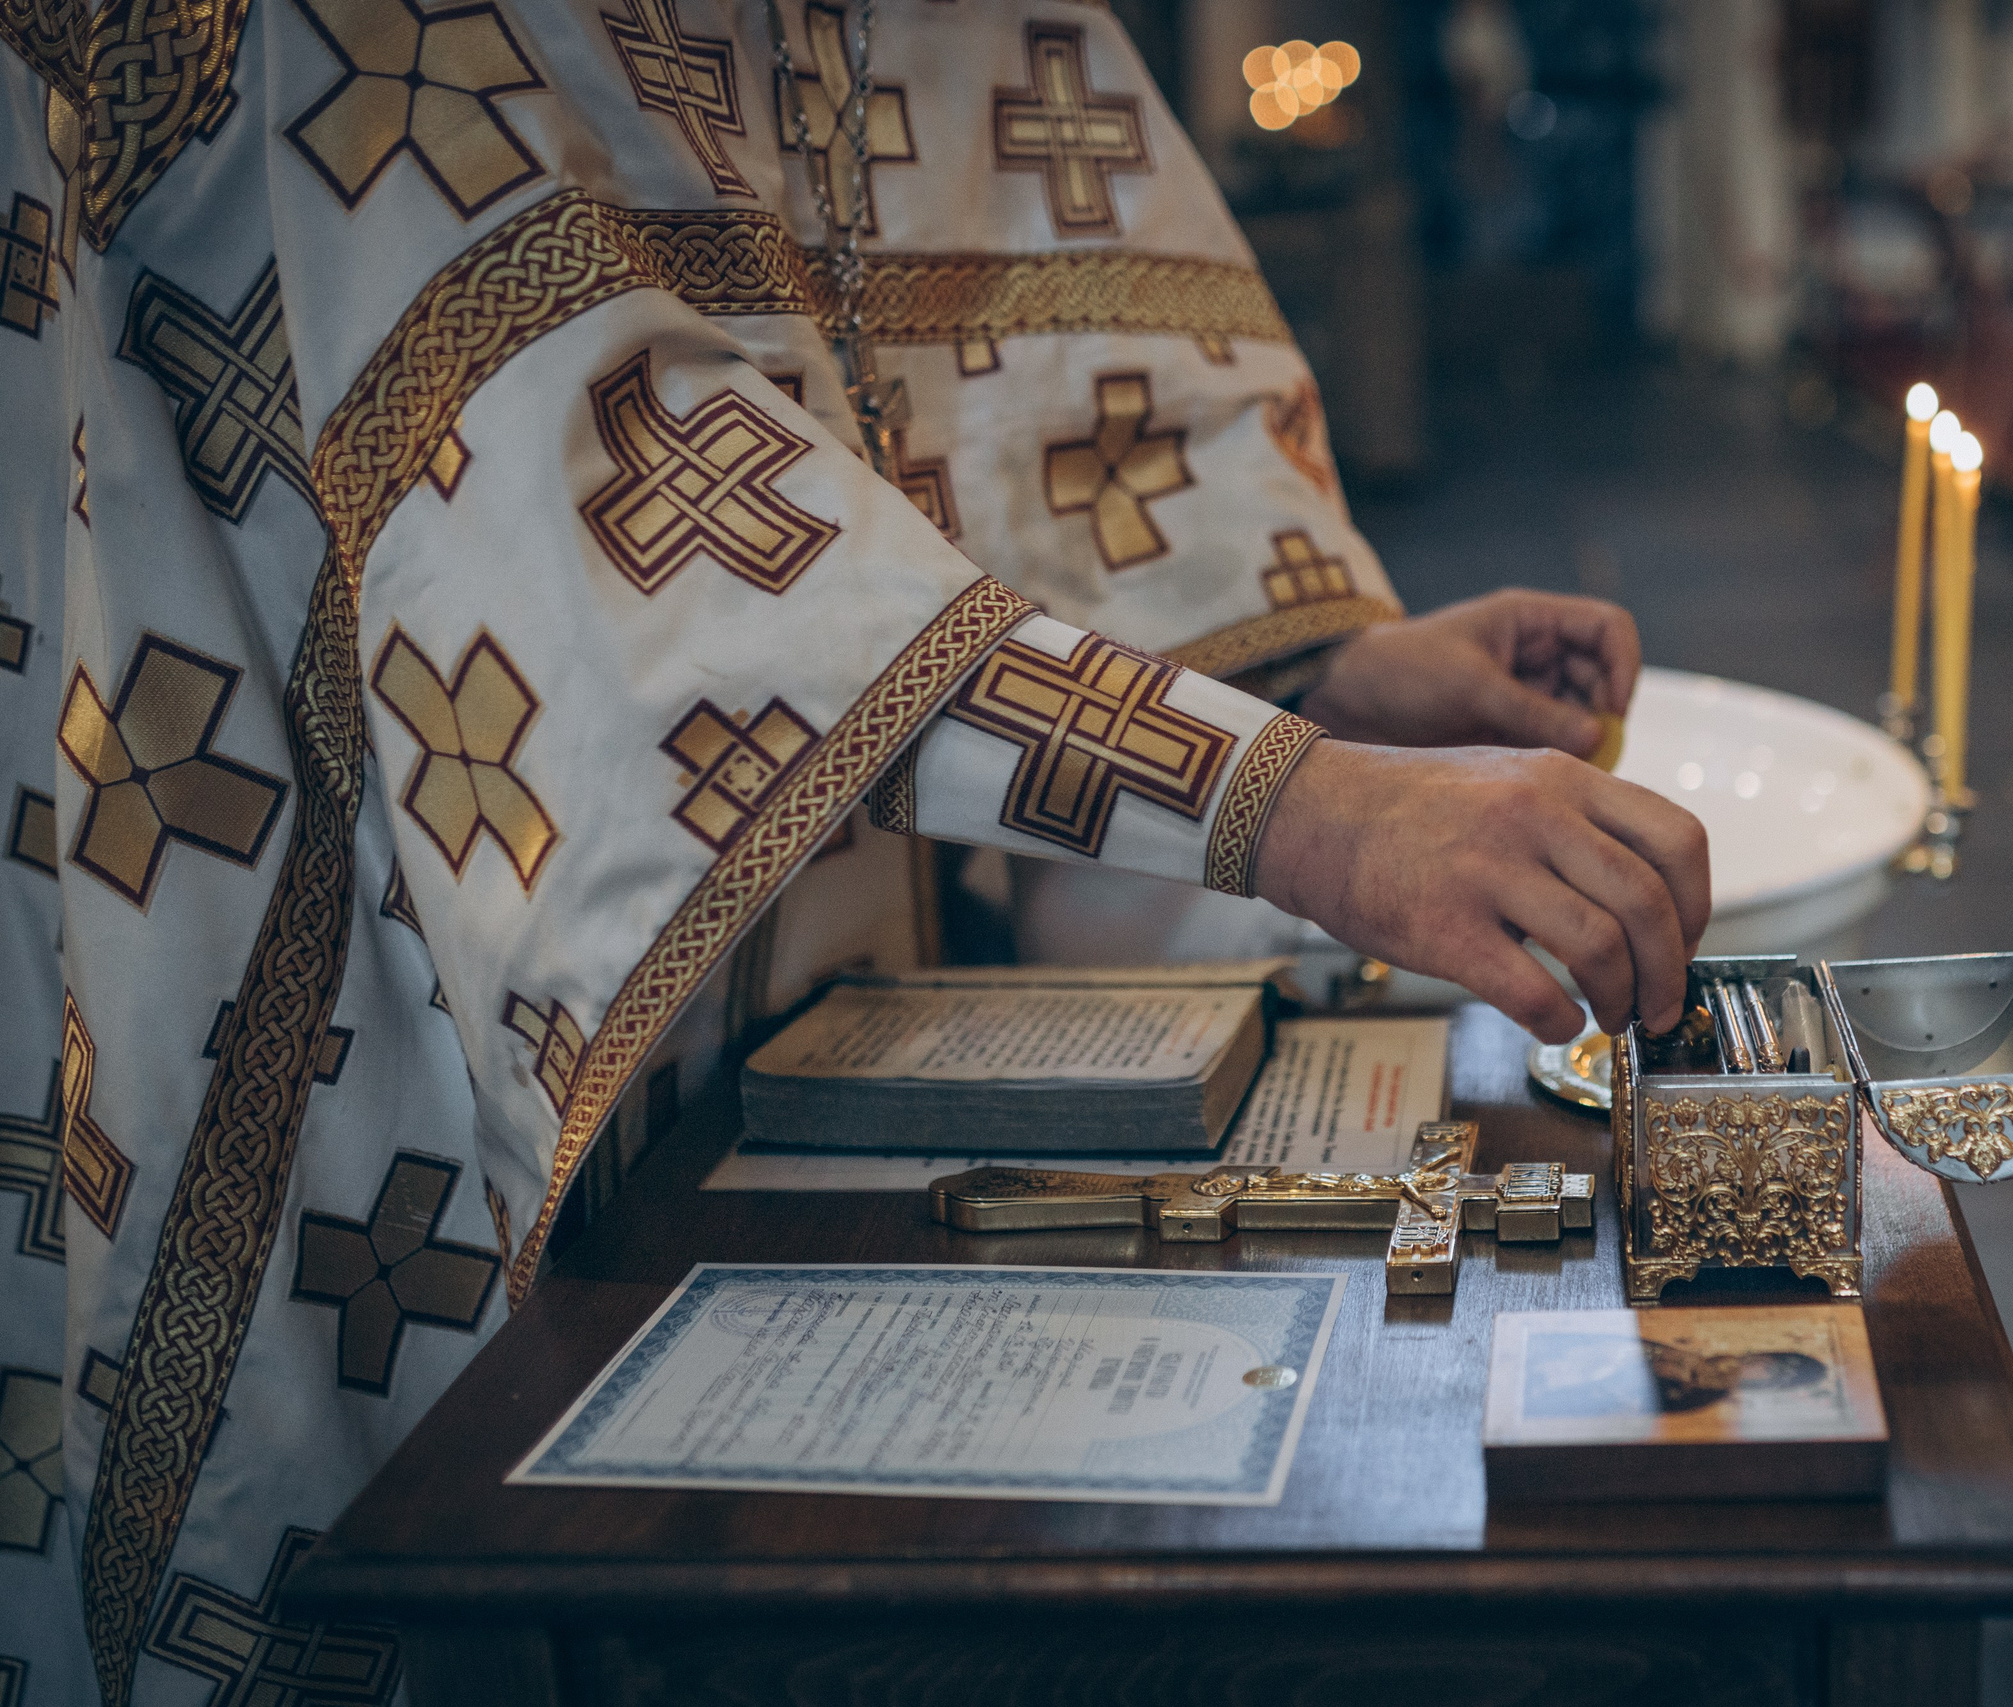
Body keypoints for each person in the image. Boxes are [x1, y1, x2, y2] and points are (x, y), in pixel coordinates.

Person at [0, 4, 1709, 1702]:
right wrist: (1302, 798)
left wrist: (1293, 662)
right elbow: (584, 490)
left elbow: (955, 358)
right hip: (351, 856)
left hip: (809, 947)